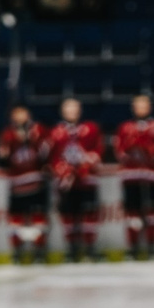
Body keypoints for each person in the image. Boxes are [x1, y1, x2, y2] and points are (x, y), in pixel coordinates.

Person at [112, 93, 154, 260]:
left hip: (152, 176)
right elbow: (119, 152)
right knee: (133, 214)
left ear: (149, 107)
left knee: (152, 213)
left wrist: (151, 150)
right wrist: (129, 148)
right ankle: (134, 248)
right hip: (131, 177)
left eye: (144, 105)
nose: (141, 108)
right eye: (138, 105)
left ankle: (152, 247)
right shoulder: (125, 127)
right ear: (133, 107)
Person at [47, 96, 104, 262]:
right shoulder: (56, 132)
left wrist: (85, 165)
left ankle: (89, 248)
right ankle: (72, 250)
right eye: (68, 108)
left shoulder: (91, 129)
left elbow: (97, 151)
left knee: (88, 214)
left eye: (74, 108)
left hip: (86, 181)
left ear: (80, 110)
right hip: (67, 183)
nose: (71, 111)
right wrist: (63, 171)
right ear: (62, 111)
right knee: (69, 215)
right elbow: (53, 157)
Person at [0, 104, 51, 265]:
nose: (20, 116)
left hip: (37, 184)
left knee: (39, 220)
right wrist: (3, 154)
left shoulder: (39, 130)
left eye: (23, 112)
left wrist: (33, 139)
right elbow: (1, 162)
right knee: (16, 220)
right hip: (16, 186)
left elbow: (47, 155)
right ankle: (17, 251)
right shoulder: (7, 134)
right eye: (16, 113)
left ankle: (39, 250)